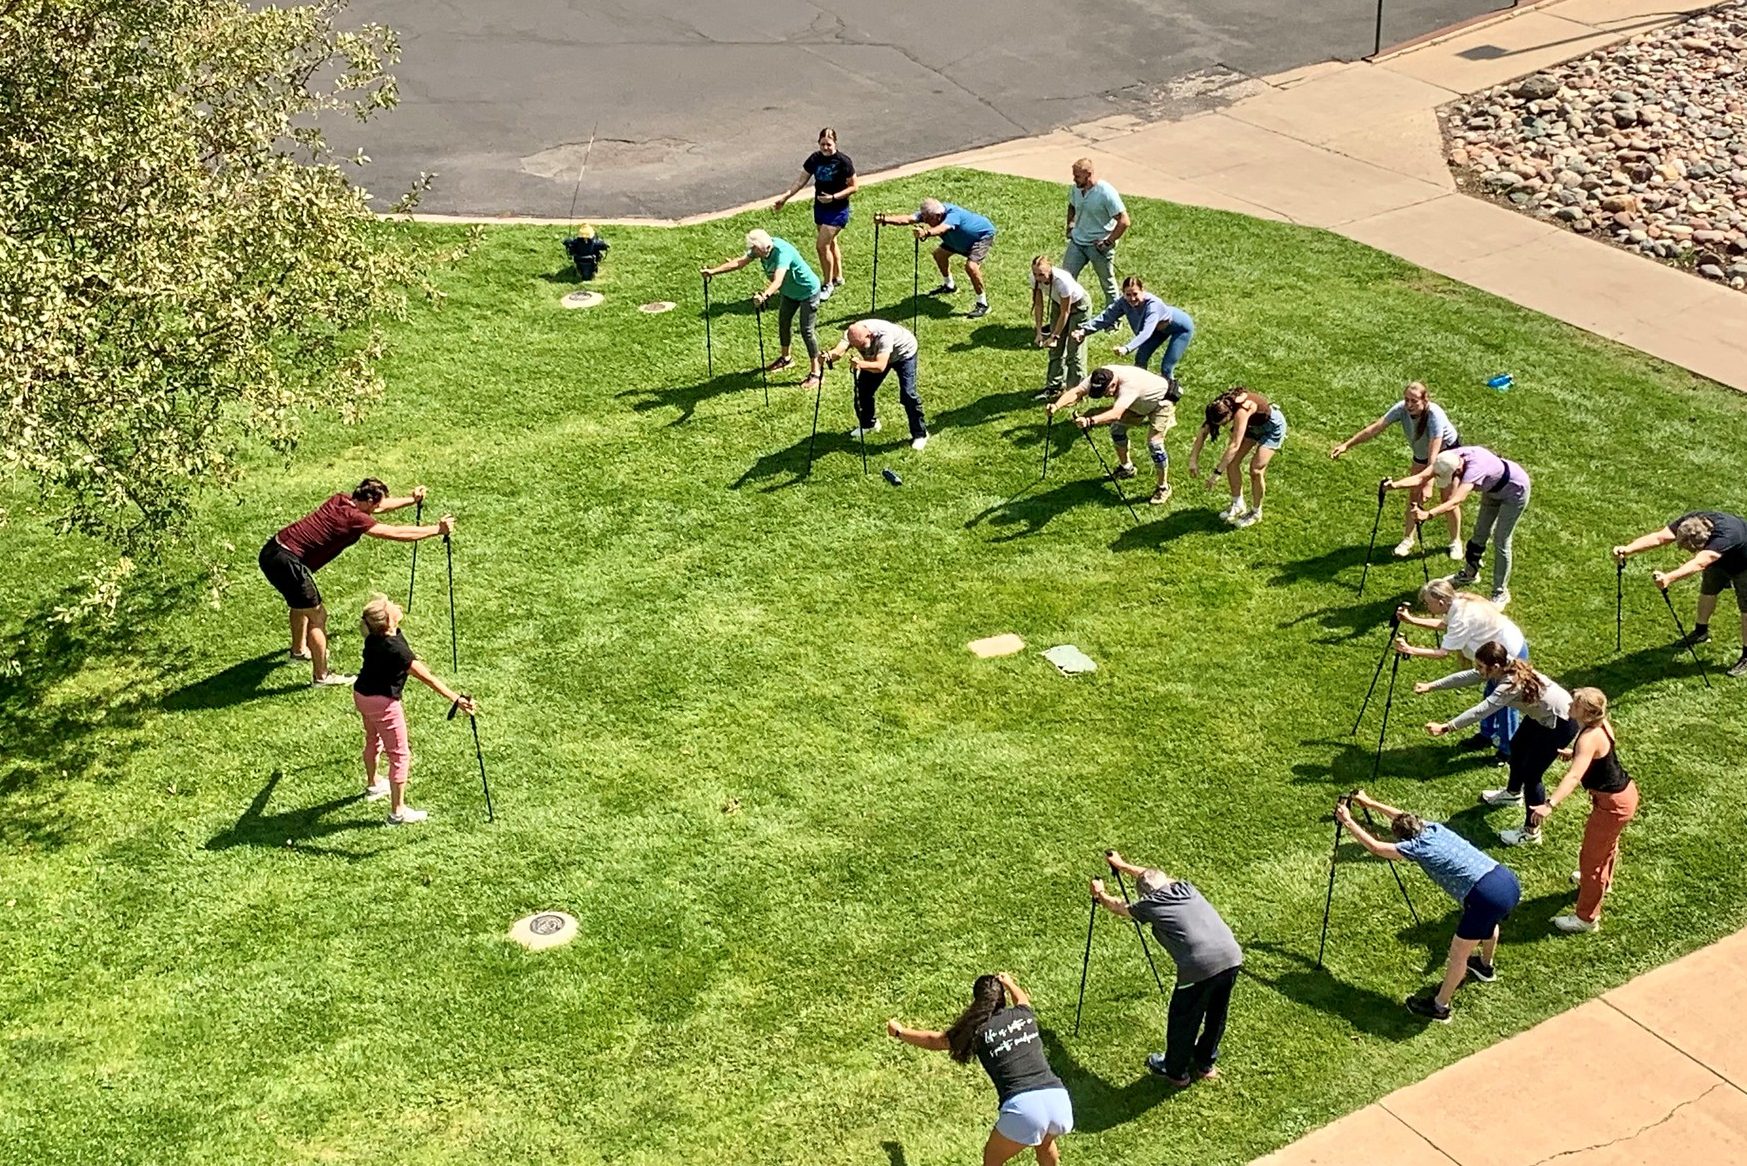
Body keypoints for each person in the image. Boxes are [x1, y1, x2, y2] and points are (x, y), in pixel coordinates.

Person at [1336, 791, 1521, 1023]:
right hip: (1507, 881)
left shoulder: (1416, 848)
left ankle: (1440, 1007)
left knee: (1457, 955)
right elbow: (1401, 815)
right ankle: (1485, 967)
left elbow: (1376, 848)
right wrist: (1370, 803)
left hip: (1485, 896)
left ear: (1404, 839)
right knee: (1488, 922)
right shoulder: (1435, 828)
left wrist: (1348, 822)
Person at [258, 479, 454, 687]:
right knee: (317, 615)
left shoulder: (341, 500)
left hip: (273, 550)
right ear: (368, 500)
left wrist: (411, 500)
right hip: (287, 562)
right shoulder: (355, 519)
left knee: (300, 602)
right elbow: (395, 533)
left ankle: (298, 651)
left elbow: (379, 507)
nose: (378, 508)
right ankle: (322, 677)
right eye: (376, 504)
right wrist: (436, 530)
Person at [886, 972, 1073, 1166]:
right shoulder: (1024, 1015)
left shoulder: (978, 1030)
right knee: (1044, 1145)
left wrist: (899, 1032)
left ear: (978, 1002)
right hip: (1058, 1100)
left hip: (1025, 1109)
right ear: (1002, 997)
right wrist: (1009, 983)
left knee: (991, 1161)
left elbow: (936, 1041)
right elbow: (1022, 999)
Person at [1092, 851, 1242, 1085]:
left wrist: (1100, 892)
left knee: (1184, 1019)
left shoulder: (1148, 905)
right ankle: (1205, 1064)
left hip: (1198, 966)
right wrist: (1122, 865)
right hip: (1232, 956)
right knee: (1216, 1014)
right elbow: (1151, 876)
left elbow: (1118, 907)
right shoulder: (1185, 888)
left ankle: (1176, 1071)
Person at [1416, 640, 1576, 846]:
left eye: (1481, 667)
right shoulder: (1503, 664)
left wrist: (1447, 727)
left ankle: (1531, 832)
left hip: (1560, 722)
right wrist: (1432, 686)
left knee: (1532, 775)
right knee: (1516, 746)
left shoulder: (1510, 684)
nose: (1478, 670)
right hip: (1542, 715)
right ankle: (1512, 793)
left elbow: (1483, 709)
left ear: (1496, 667)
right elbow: (1470, 676)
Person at [352, 594, 476, 825]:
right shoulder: (396, 650)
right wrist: (455, 698)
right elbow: (427, 678)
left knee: (372, 739)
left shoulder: (374, 636)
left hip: (362, 695)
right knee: (400, 755)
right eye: (390, 608)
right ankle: (397, 813)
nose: (395, 607)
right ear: (387, 621)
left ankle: (373, 785)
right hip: (383, 703)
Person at [1528, 688, 1639, 933]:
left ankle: (1586, 919)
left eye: (1576, 703)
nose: (1570, 704)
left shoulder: (1588, 738)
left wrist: (1549, 804)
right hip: (1623, 795)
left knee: (1591, 862)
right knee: (1607, 846)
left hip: (1613, 805)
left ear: (1587, 714)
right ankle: (1604, 885)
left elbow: (1575, 775)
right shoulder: (1601, 726)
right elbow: (1602, 754)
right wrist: (1577, 753)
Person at [1394, 579, 1529, 763]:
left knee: (1503, 704)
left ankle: (1507, 751)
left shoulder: (1461, 618)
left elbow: (1442, 653)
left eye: (1427, 603)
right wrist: (1412, 620)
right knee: (1491, 693)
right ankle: (1487, 735)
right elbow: (1443, 625)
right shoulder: (1457, 602)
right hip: (1499, 652)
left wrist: (1410, 649)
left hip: (1508, 655)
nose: (1426, 605)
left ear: (1441, 602)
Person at [1332, 382, 1464, 560]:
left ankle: (1455, 541)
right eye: (1407, 400)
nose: (1409, 405)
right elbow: (1375, 428)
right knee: (1413, 498)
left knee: (1448, 499)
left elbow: (1434, 451)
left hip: (1446, 454)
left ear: (1425, 400)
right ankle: (1408, 539)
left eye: (1414, 401)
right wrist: (1346, 445)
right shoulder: (1401, 409)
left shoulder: (1434, 414)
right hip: (1421, 453)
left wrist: (1428, 483)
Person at [1613, 510, 1747, 678]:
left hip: (1744, 563)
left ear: (1700, 545)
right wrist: (1628, 549)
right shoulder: (1690, 523)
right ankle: (1700, 632)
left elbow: (1699, 563)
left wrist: (1669, 578)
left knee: (1746, 608)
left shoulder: (1725, 538)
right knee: (1708, 590)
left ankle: (1746, 655)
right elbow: (1659, 537)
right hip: (1721, 558)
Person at [1390, 447, 1529, 608]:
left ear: (1458, 469)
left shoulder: (1474, 470)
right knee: (1479, 534)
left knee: (1501, 540)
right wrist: (1393, 485)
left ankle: (1500, 592)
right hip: (1492, 490)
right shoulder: (1447, 459)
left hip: (1515, 491)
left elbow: (1456, 501)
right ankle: (1470, 574)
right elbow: (1422, 477)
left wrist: (1427, 514)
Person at [701, 229, 824, 390]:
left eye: (762, 250)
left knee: (806, 331)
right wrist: (713, 271)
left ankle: (816, 372)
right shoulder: (757, 249)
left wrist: (764, 296)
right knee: (783, 323)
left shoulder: (782, 252)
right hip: (790, 293)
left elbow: (778, 280)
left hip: (807, 291)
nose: (759, 252)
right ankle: (786, 359)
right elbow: (739, 263)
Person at [1048, 366, 1181, 505]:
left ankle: (1163, 487)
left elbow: (1116, 414)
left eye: (1106, 392)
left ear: (1113, 383)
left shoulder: (1128, 387)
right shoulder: (1100, 376)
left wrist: (1089, 421)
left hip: (1161, 402)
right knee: (1117, 430)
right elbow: (1077, 391)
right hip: (1138, 403)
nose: (1106, 396)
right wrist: (1056, 406)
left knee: (1155, 444)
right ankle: (1126, 468)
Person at [876, 198, 997, 319]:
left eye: (929, 220)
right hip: (957, 239)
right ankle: (949, 286)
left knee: (971, 267)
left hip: (980, 237)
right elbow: (908, 219)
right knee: (939, 255)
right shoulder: (931, 212)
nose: (926, 222)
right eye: (925, 219)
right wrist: (884, 219)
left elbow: (942, 228)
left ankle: (983, 304)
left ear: (938, 216)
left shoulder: (953, 215)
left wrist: (926, 233)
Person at [773, 127, 856, 300]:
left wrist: (833, 197)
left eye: (829, 144)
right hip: (820, 207)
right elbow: (801, 180)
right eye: (822, 144)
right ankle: (838, 276)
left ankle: (827, 284)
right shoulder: (814, 159)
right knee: (831, 243)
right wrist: (786, 197)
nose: (826, 148)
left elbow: (854, 186)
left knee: (821, 246)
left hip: (838, 209)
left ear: (835, 143)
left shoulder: (843, 161)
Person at [1188, 387, 1286, 529]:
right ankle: (1238, 504)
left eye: (1224, 422)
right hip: (1252, 427)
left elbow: (1234, 445)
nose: (1223, 425)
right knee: (1232, 463)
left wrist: (1216, 474)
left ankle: (1256, 512)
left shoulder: (1242, 411)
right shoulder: (1218, 406)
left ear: (1229, 414)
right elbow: (1203, 432)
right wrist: (1193, 460)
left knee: (1256, 470)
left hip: (1271, 428)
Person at [824, 320, 928, 451]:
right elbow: (839, 351)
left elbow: (880, 366)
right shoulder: (852, 333)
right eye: (856, 346)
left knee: (908, 394)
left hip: (904, 354)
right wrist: (828, 356)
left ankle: (920, 434)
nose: (860, 349)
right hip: (879, 355)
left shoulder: (884, 335)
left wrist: (861, 364)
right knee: (864, 389)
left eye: (862, 346)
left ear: (869, 335)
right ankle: (869, 424)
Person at [1072, 276, 1194, 378]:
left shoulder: (1153, 306)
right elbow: (1106, 317)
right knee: (1140, 360)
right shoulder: (1123, 302)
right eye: (1128, 294)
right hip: (1158, 330)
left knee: (1166, 368)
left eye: (1135, 294)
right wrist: (1084, 331)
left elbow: (1146, 332)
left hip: (1180, 329)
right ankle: (1141, 392)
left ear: (1143, 291)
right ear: (1123, 293)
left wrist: (1127, 348)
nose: (1132, 298)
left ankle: (1170, 398)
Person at [1062, 158, 1129, 307]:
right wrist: (1070, 225)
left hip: (1098, 246)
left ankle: (1113, 320)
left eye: (1077, 176)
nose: (1074, 179)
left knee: (1107, 283)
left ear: (1089, 174)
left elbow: (1124, 221)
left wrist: (1107, 242)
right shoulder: (1076, 189)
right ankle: (1067, 315)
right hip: (1078, 242)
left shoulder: (1106, 192)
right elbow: (1072, 206)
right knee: (1065, 280)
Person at [1030, 256, 1091, 399]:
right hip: (1058, 304)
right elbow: (1038, 305)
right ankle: (1054, 387)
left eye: (1041, 274)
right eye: (1035, 274)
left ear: (1050, 270)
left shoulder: (1062, 281)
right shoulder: (1034, 279)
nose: (1038, 278)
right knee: (1055, 350)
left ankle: (1076, 391)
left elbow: (1066, 312)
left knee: (1074, 350)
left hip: (1079, 307)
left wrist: (1054, 336)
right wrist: (1039, 332)